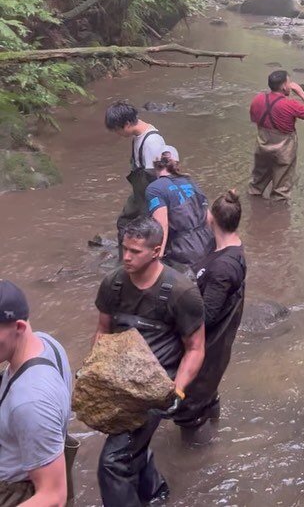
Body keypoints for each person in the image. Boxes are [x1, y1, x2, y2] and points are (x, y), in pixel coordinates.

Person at [93, 217, 205, 507]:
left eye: (135, 251)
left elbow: (195, 348)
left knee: (113, 462)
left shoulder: (182, 292)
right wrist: (95, 371)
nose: (126, 256)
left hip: (156, 388)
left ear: (156, 251)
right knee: (131, 447)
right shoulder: (113, 283)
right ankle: (154, 494)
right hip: (119, 382)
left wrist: (177, 390)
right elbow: (103, 330)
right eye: (124, 248)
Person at [174, 189, 247, 431]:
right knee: (207, 391)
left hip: (209, 345)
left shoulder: (224, 268)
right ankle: (211, 424)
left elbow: (208, 315)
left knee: (192, 407)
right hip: (213, 347)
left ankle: (194, 458)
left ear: (210, 218)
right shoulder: (220, 247)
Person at [0, 279, 72, 507]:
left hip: (18, 493)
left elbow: (53, 496)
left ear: (19, 327)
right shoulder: (47, 342)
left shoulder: (30, 402)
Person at [104, 102, 169, 252]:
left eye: (117, 129)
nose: (117, 133)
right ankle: (125, 260)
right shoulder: (138, 136)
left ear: (127, 124)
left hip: (151, 195)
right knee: (124, 222)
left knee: (141, 229)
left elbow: (160, 179)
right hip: (140, 192)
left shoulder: (152, 142)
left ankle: (135, 260)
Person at [248, 70, 304, 202]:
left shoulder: (257, 99)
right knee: (281, 191)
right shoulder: (290, 104)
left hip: (263, 145)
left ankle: (254, 211)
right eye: (289, 82)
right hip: (284, 149)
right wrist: (301, 92)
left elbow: (256, 120)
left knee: (256, 185)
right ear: (284, 87)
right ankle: (277, 218)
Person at [145, 149, 214, 270]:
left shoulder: (154, 188)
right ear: (177, 165)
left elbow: (161, 225)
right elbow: (208, 215)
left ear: (154, 166)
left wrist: (157, 257)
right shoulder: (190, 181)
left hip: (183, 250)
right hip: (208, 242)